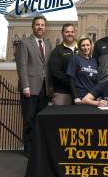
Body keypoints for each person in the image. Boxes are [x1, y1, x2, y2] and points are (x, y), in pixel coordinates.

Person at [14, 15, 52, 156]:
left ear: (45, 27)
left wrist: (50, 87)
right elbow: (21, 65)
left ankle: (38, 148)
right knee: (29, 120)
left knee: (40, 119)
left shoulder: (47, 44)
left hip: (44, 88)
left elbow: (47, 67)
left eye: (42, 24)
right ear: (33, 26)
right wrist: (25, 86)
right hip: (30, 88)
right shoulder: (24, 43)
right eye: (37, 24)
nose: (40, 27)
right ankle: (28, 150)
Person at [49, 23, 78, 105]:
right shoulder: (57, 50)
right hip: (63, 92)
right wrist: (72, 83)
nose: (70, 34)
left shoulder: (81, 48)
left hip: (80, 93)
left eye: (72, 32)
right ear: (62, 33)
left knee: (79, 117)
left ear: (75, 33)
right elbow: (55, 72)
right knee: (61, 117)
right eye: (67, 32)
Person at [66, 36, 98, 104]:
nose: (86, 48)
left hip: (91, 97)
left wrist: (96, 95)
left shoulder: (94, 61)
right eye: (83, 45)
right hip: (80, 97)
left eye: (88, 45)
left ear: (91, 46)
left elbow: (95, 81)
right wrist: (75, 97)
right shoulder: (75, 59)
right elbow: (71, 79)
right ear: (79, 47)